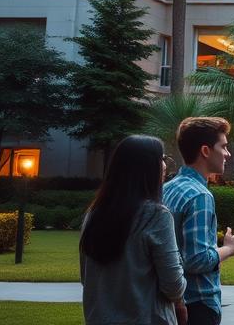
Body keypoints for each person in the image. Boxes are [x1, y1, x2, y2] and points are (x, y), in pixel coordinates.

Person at [80, 135, 186, 325]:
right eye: (161, 158)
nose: (164, 165)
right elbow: (174, 287)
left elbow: (86, 278)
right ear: (146, 167)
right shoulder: (156, 215)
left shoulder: (93, 214)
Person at [162, 116, 234, 325]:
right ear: (206, 151)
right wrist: (230, 248)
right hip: (198, 304)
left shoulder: (167, 189)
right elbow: (196, 259)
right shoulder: (200, 196)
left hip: (171, 302)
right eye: (223, 147)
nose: (228, 153)